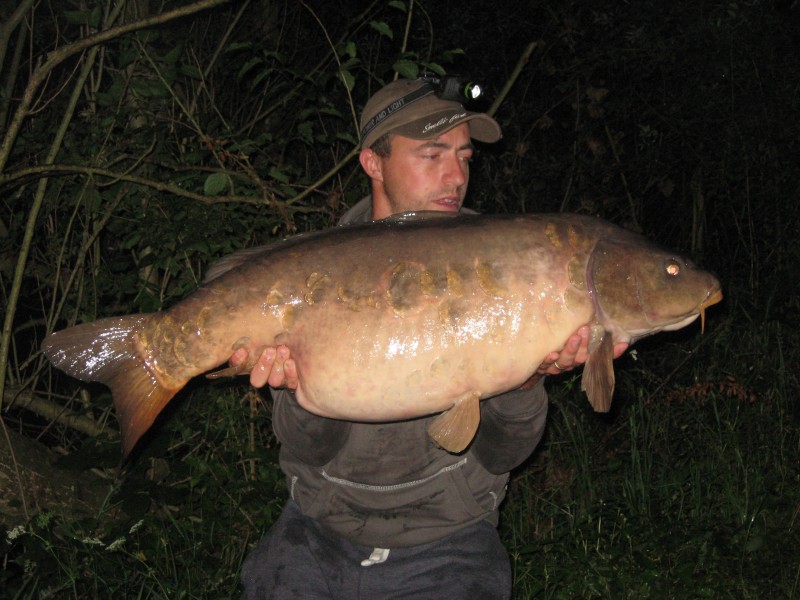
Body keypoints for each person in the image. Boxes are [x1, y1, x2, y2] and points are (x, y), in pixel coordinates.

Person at [238, 78, 627, 599]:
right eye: (432, 154)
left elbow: (504, 453)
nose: (457, 175)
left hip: (449, 539)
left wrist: (525, 379)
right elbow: (306, 448)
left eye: (465, 156)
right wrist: (292, 388)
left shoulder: (506, 267)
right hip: (317, 530)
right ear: (372, 164)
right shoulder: (313, 273)